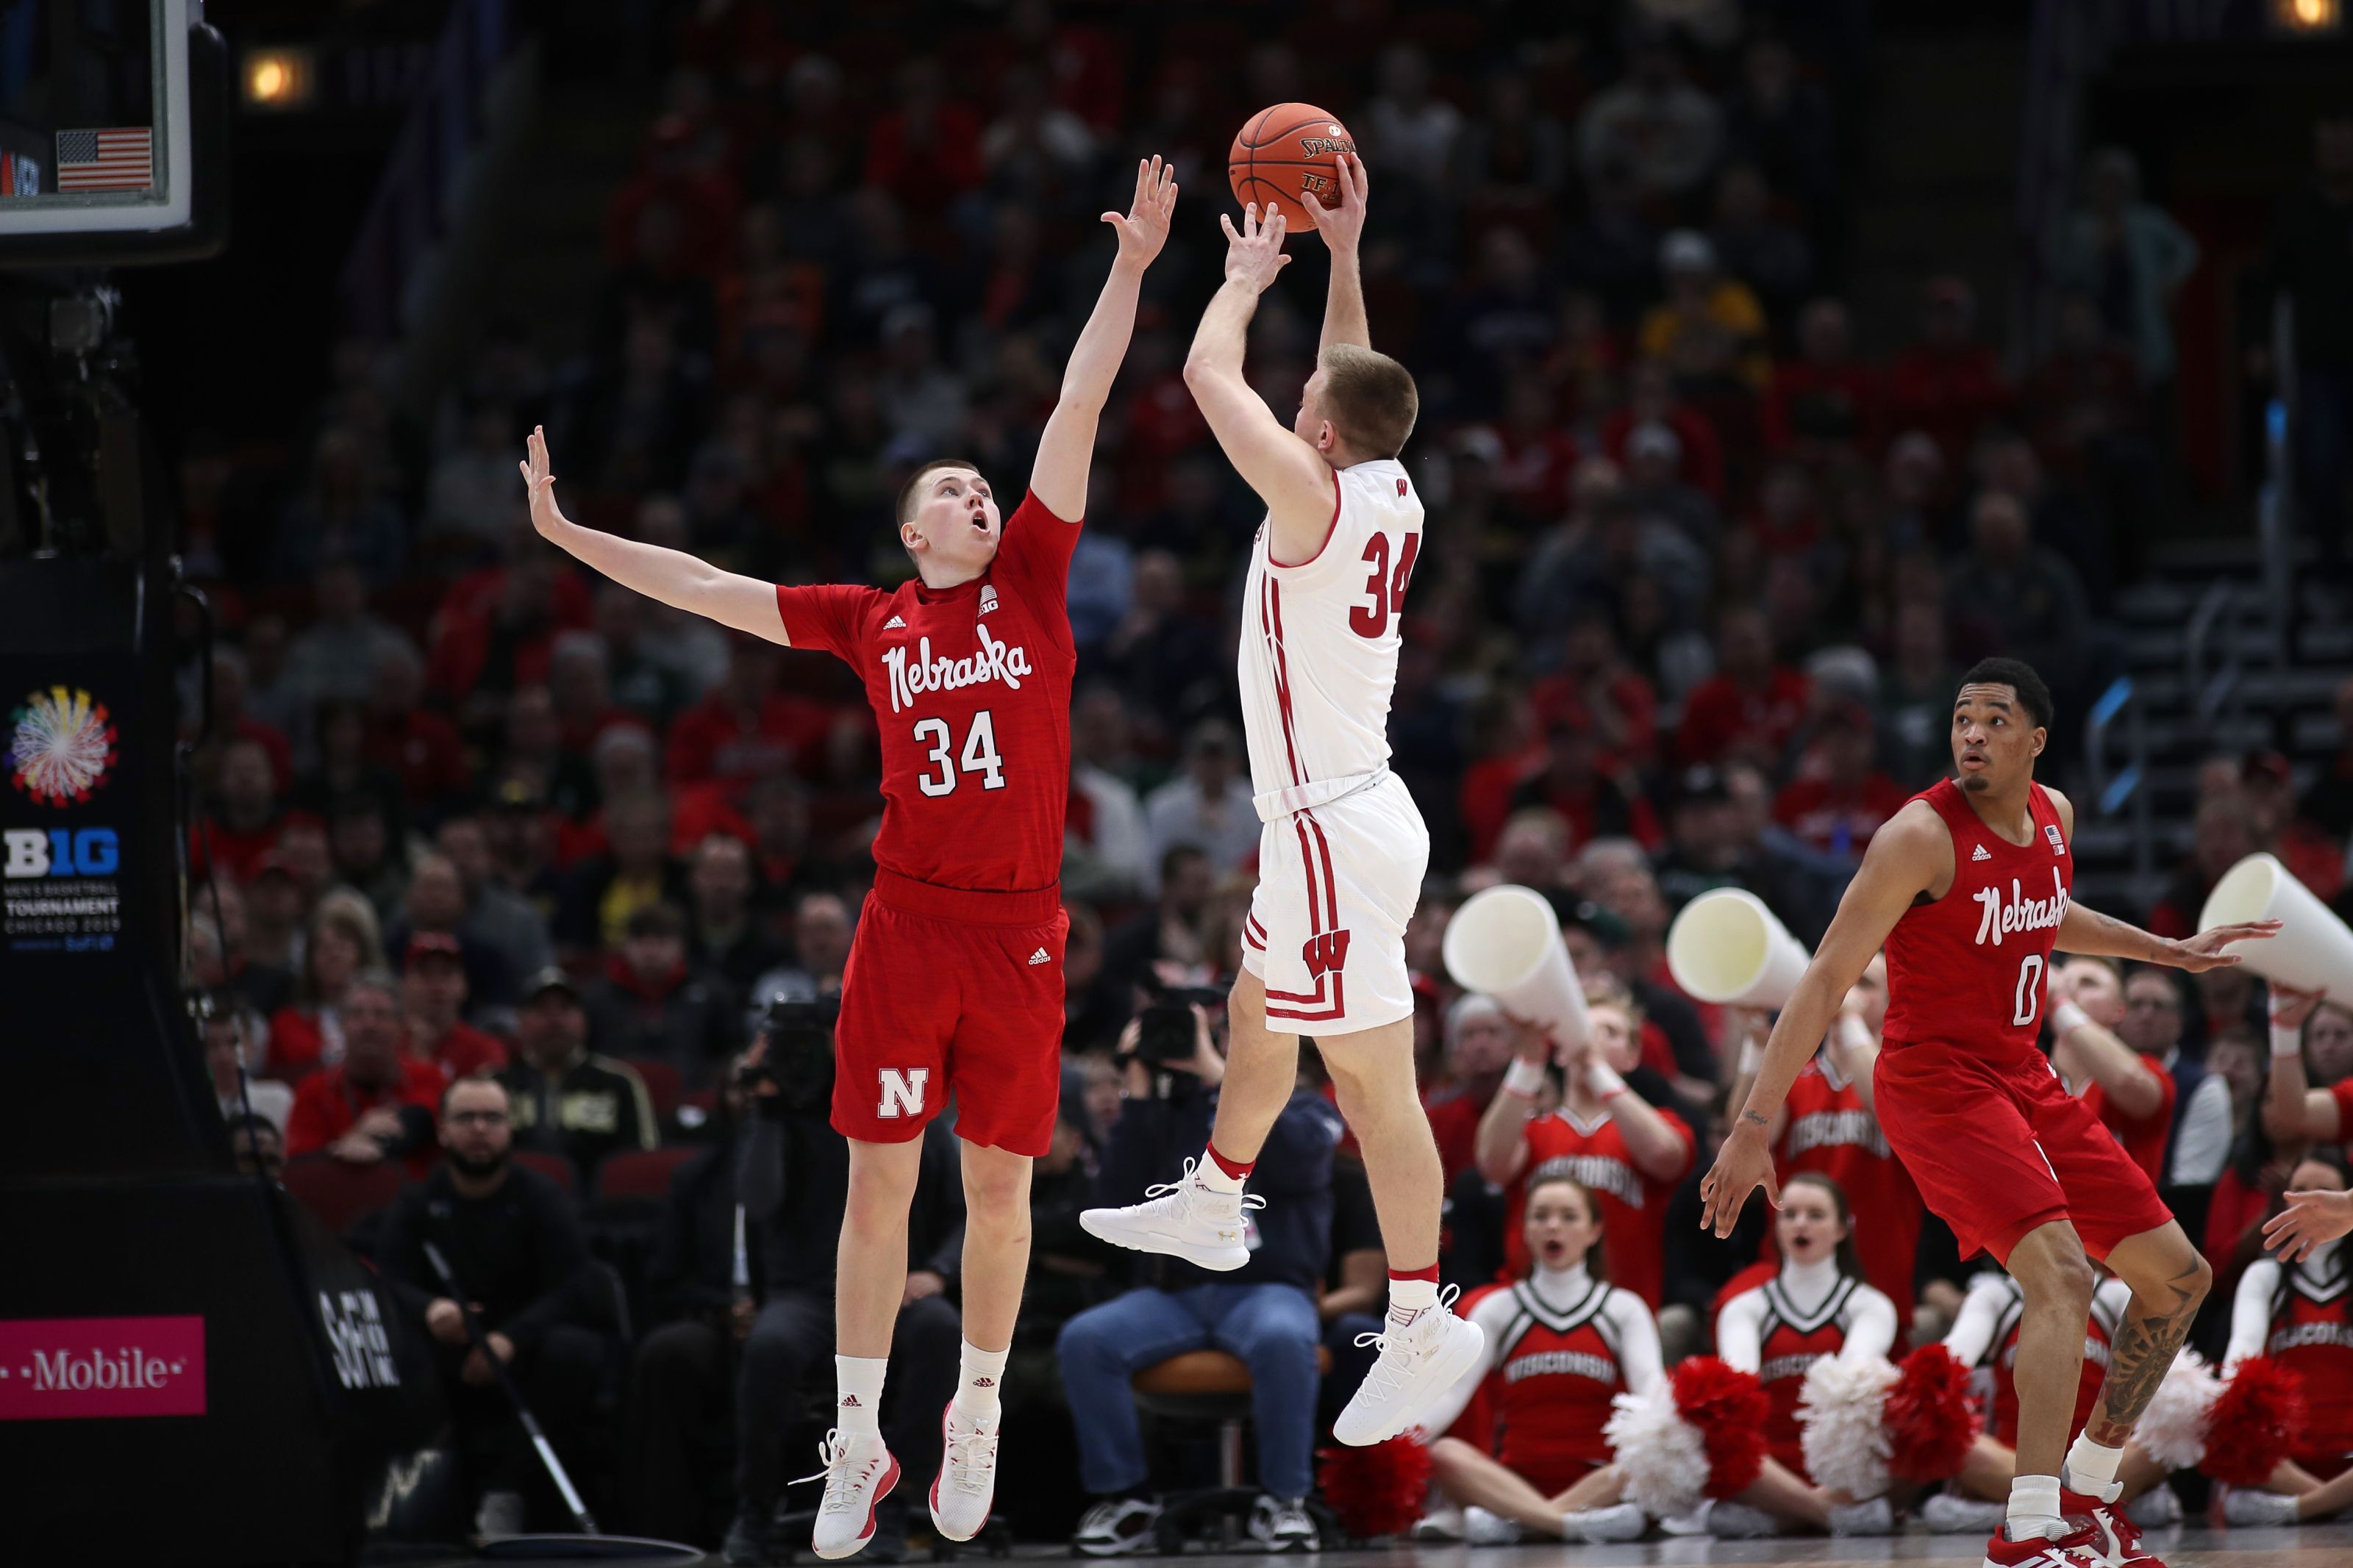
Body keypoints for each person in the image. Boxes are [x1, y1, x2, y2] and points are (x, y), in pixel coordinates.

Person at [519, 157, 1176, 1558]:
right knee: (881, 1181)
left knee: (1001, 1187)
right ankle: (862, 1433)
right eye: (956, 486)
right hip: (906, 924)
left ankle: (978, 1409)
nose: (983, 493)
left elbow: (1077, 408)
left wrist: (1127, 272)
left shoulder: (1036, 584)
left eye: (987, 485)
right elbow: (705, 588)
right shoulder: (866, 618)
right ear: (909, 529)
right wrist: (571, 535)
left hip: (1021, 930)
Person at [1700, 656, 2276, 1568]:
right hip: (1934, 1084)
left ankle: (2086, 1490)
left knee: (2178, 1280)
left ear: (2034, 741)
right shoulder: (1916, 836)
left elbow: (2047, 911)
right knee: (2058, 1277)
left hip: (2021, 1072)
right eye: (1962, 718)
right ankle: (2027, 1527)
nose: (1972, 733)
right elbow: (1822, 979)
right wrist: (1752, 1125)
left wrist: (2166, 951)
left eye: (1994, 720)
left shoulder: (2055, 816)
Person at [1079, 154, 1484, 1449]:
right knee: (1256, 1001)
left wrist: (1244, 281)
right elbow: (1351, 374)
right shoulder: (1384, 479)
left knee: (1374, 1087)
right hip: (1341, 812)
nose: (1298, 395)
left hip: (1330, 821)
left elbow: (1208, 380)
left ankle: (1423, 1317)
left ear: (1315, 430)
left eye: (1304, 398)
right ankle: (1217, 1187)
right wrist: (1348, 255)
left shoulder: (1310, 492)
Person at [1060, 1008, 1343, 1556]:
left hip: (1267, 1288)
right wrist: (1139, 1098)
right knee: (1086, 1339)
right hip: (1177, 1294)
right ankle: (1127, 1500)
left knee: (1285, 1338)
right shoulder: (1169, 1112)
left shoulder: (1302, 1102)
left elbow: (1304, 1160)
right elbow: (1111, 1202)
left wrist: (1221, 1075)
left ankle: (1285, 1498)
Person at [724, 1018, 965, 1565]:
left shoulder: (904, 1103)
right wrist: (765, 1101)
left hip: (896, 1288)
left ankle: (897, 1500)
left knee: (941, 1328)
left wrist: (939, 1271)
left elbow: (964, 1212)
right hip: (810, 1294)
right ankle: (757, 1507)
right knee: (769, 1346)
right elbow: (756, 1201)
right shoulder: (782, 1116)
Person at [374, 1076, 610, 1538]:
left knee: (575, 1351)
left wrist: (510, 1338)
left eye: (492, 1118)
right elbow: (386, 1281)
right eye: (466, 1118)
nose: (479, 1129)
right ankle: (418, 1512)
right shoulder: (416, 1202)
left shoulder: (542, 1196)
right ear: (442, 1130)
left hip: (526, 1348)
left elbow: (575, 1287)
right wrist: (430, 1310)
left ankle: (508, 1493)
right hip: (447, 1347)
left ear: (509, 1129)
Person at [1410, 1175, 1654, 1545]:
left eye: (1569, 1217)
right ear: (1525, 1230)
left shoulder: (1622, 1309)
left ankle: (1517, 1523)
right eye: (1540, 1216)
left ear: (1594, 1231)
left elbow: (1651, 1393)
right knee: (1445, 1454)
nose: (1553, 1226)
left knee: (1646, 1462)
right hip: (1512, 1480)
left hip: (1600, 1478)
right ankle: (1568, 1525)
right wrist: (1398, 1441)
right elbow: (1451, 1391)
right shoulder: (1498, 1309)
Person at [1475, 987, 1693, 1311]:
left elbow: (1665, 1156)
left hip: (1623, 1310)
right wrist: (1529, 1060)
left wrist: (1595, 1067)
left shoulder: (1661, 1123)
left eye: (1610, 1033)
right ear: (1562, 1052)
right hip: (1530, 1308)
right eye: (1584, 1031)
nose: (1593, 1040)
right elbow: (1492, 1164)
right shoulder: (1534, 1128)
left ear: (1633, 1056)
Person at [1704, 1174, 1899, 1538]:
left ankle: (1786, 1516)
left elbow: (1849, 1381)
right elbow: (1739, 1387)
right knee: (1712, 1419)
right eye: (1789, 1214)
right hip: (1767, 1467)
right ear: (1776, 1228)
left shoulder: (1868, 1304)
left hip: (1842, 1467)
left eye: (1816, 1215)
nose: (1801, 1224)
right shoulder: (1746, 1307)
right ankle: (1825, 1514)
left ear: (1842, 1229)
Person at [2215, 1151, 2353, 1526]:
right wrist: (2232, 1410)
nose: (2311, 1203)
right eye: (2300, 1191)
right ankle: (2334, 1506)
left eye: (2324, 1191)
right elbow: (2241, 1353)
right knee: (2218, 1409)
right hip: (2286, 1465)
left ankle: (2304, 1510)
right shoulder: (2266, 1276)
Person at [500, 967, 660, 1182]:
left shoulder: (619, 1083)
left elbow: (639, 1165)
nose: (555, 1020)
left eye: (565, 1008)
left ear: (584, 1019)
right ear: (520, 1020)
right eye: (541, 1009)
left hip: (595, 1211)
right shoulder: (494, 1086)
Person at [284, 972, 444, 1167]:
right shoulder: (313, 1091)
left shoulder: (431, 1079)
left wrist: (372, 1139)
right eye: (357, 1014)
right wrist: (351, 1139)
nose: (369, 1025)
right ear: (342, 1024)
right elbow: (298, 1168)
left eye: (381, 1014)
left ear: (402, 1025)